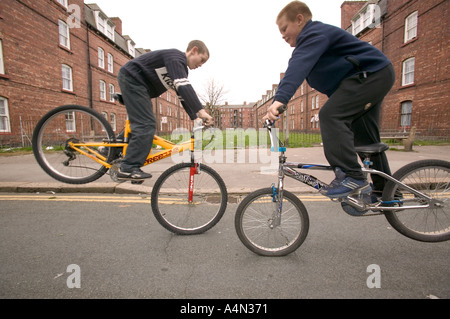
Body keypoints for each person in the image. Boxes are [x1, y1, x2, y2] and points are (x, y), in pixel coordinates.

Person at [263, 1, 395, 199]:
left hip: (371, 74)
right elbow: (298, 64)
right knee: (365, 140)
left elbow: (298, 65)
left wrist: (279, 100)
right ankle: (387, 194)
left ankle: (351, 176)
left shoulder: (314, 33)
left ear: (299, 19)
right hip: (371, 77)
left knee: (330, 115)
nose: (282, 35)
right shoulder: (313, 41)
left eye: (284, 28)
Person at [116, 40, 213, 181]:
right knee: (147, 124)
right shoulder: (175, 58)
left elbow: (182, 95)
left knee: (139, 124)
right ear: (194, 50)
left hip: (140, 88)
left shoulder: (182, 69)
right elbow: (184, 87)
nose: (201, 65)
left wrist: (195, 117)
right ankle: (128, 167)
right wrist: (201, 111)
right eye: (201, 60)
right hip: (133, 79)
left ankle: (111, 148)